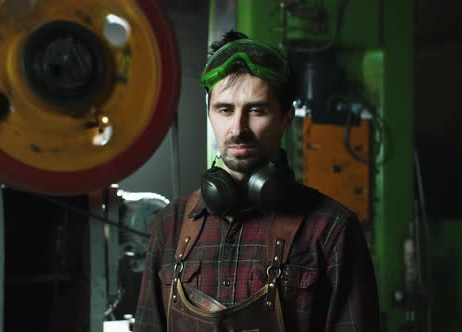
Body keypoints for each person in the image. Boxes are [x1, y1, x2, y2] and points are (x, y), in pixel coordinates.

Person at [134, 31, 379, 331]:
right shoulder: (170, 224)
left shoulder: (331, 230)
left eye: (256, 110)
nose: (238, 128)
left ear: (286, 118)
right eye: (225, 110)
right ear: (211, 115)